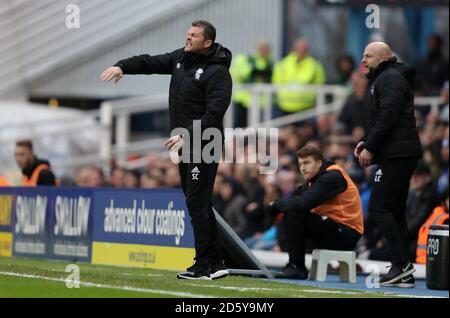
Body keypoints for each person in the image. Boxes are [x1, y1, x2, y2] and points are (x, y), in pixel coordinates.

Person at [101, 20, 232, 280]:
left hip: (204, 143)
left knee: (196, 202)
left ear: (208, 42)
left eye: (194, 35)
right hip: (184, 143)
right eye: (188, 34)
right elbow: (150, 62)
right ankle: (214, 262)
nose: (188, 38)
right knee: (198, 202)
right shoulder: (181, 59)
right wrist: (122, 67)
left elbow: (215, 112)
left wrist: (188, 134)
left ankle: (205, 265)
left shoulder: (218, 73)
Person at [355, 42, 422, 288]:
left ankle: (401, 263)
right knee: (394, 211)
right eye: (363, 55)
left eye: (368, 55)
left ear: (384, 57)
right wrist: (366, 142)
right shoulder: (382, 79)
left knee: (379, 207)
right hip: (398, 151)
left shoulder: (390, 78)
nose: (363, 60)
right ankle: (403, 270)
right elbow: (381, 119)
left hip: (398, 153)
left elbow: (389, 115)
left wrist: (371, 146)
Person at [267, 146, 363, 279]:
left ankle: (297, 267)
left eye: (307, 163)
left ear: (319, 163)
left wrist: (275, 206)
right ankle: (293, 264)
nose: (302, 168)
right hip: (331, 228)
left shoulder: (333, 176)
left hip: (347, 233)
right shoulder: (312, 181)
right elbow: (293, 199)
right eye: (300, 164)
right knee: (290, 212)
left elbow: (305, 202)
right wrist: (277, 205)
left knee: (295, 213)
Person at [272, 39, 326, 115]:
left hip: (306, 106)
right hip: (284, 105)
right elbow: (276, 82)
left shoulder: (315, 65)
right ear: (293, 49)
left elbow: (320, 84)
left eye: (304, 49)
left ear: (307, 50)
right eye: (299, 49)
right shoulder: (282, 64)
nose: (301, 51)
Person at [231, 41, 273, 127]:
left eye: (266, 49)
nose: (264, 51)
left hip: (262, 104)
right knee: (240, 129)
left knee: (259, 131)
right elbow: (241, 74)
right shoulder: (247, 59)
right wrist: (255, 72)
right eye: (262, 48)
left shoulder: (271, 63)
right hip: (243, 101)